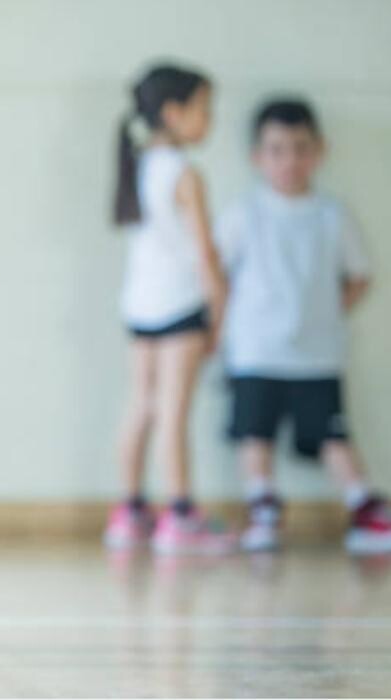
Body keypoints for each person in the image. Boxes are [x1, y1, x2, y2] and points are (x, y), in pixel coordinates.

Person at [217, 98, 391, 554]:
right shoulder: (245, 213)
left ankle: (364, 507)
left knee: (333, 434)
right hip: (255, 351)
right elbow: (216, 273)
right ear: (258, 156)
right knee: (255, 433)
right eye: (277, 149)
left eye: (300, 148)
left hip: (317, 353)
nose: (289, 160)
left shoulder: (332, 214)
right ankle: (262, 505)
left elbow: (360, 275)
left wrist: (327, 313)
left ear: (319, 152)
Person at [105, 63, 235, 555]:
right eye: (205, 109)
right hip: (181, 305)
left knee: (142, 405)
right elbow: (205, 252)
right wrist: (220, 309)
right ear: (174, 113)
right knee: (174, 410)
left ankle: (130, 510)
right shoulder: (185, 173)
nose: (210, 120)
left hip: (140, 305)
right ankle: (180, 515)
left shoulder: (138, 162)